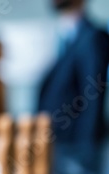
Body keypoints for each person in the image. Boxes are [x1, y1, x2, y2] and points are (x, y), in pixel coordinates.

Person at [38, 0, 109, 144]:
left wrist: (85, 154)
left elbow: (92, 101)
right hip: (53, 144)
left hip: (74, 150)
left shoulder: (93, 38)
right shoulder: (60, 35)